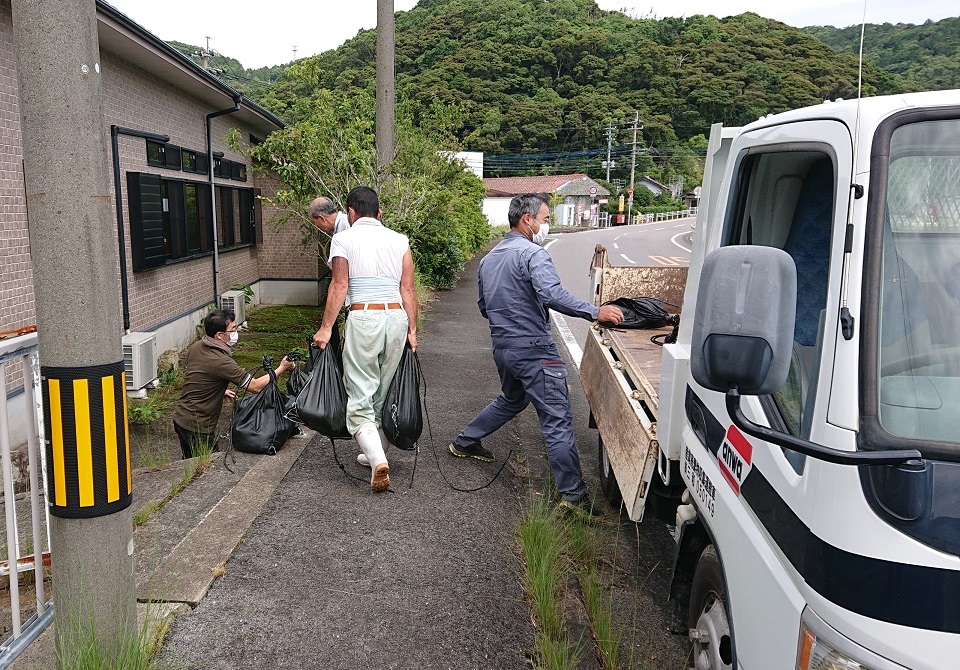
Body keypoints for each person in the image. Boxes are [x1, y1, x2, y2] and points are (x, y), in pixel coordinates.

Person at [449, 193, 624, 516]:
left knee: (512, 399)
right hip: (534, 350)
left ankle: (464, 441)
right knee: (557, 421)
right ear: (527, 219)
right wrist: (595, 311)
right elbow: (552, 295)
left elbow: (484, 308)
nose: (547, 225)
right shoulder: (533, 255)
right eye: (545, 219)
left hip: (503, 346)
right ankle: (573, 498)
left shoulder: (489, 259)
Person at [313, 186, 418, 493]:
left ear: (351, 213)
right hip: (397, 318)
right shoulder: (400, 240)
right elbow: (408, 289)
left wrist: (326, 328)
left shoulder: (343, 239)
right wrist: (413, 329)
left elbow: (339, 285)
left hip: (364, 317)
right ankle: (375, 452)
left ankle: (377, 461)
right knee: (384, 391)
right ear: (380, 213)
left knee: (360, 392)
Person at [172, 308, 295, 459]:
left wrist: (219, 390)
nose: (235, 333)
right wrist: (282, 368)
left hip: (181, 418)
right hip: (198, 425)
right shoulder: (221, 361)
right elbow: (255, 386)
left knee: (190, 463)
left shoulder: (197, 346)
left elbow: (199, 375)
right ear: (219, 335)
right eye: (233, 329)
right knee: (209, 469)